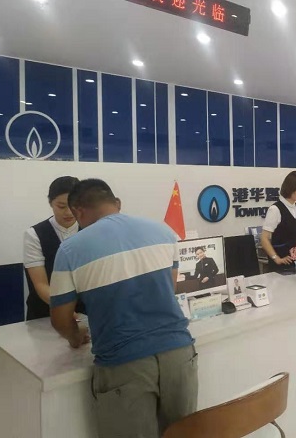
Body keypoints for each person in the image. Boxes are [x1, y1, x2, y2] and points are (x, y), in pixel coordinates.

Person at [49, 179, 197, 438]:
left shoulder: (70, 249)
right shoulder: (163, 232)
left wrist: (75, 337)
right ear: (116, 203)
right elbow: (169, 288)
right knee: (184, 434)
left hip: (124, 364)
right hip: (180, 354)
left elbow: (60, 319)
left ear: (78, 211)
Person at [23, 176, 86, 320]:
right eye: (61, 206)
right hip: (45, 313)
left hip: (85, 312)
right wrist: (64, 310)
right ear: (50, 203)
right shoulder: (34, 234)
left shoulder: (91, 229)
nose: (69, 212)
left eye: (74, 206)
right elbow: (41, 284)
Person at [261, 171, 296, 272]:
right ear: (290, 188)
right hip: (281, 265)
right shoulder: (275, 209)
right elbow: (264, 239)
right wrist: (276, 258)